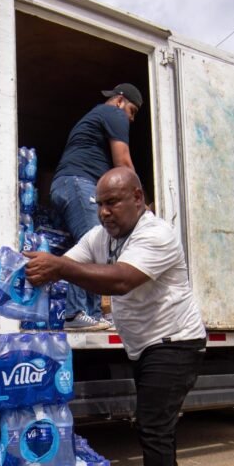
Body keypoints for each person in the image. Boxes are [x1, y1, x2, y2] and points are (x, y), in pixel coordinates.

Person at [24, 167, 206, 466]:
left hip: (175, 341)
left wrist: (60, 267)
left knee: (152, 424)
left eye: (113, 203)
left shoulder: (157, 234)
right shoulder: (101, 236)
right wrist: (34, 271)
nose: (105, 212)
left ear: (138, 199)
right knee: (158, 419)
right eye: (100, 204)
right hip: (145, 343)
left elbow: (120, 279)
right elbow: (70, 264)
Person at [51, 83, 142, 331]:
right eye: (132, 111)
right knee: (93, 244)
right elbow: (122, 162)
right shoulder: (114, 113)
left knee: (91, 246)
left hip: (69, 185)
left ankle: (90, 313)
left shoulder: (95, 116)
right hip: (79, 183)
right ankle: (76, 313)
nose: (131, 118)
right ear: (120, 101)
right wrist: (139, 201)